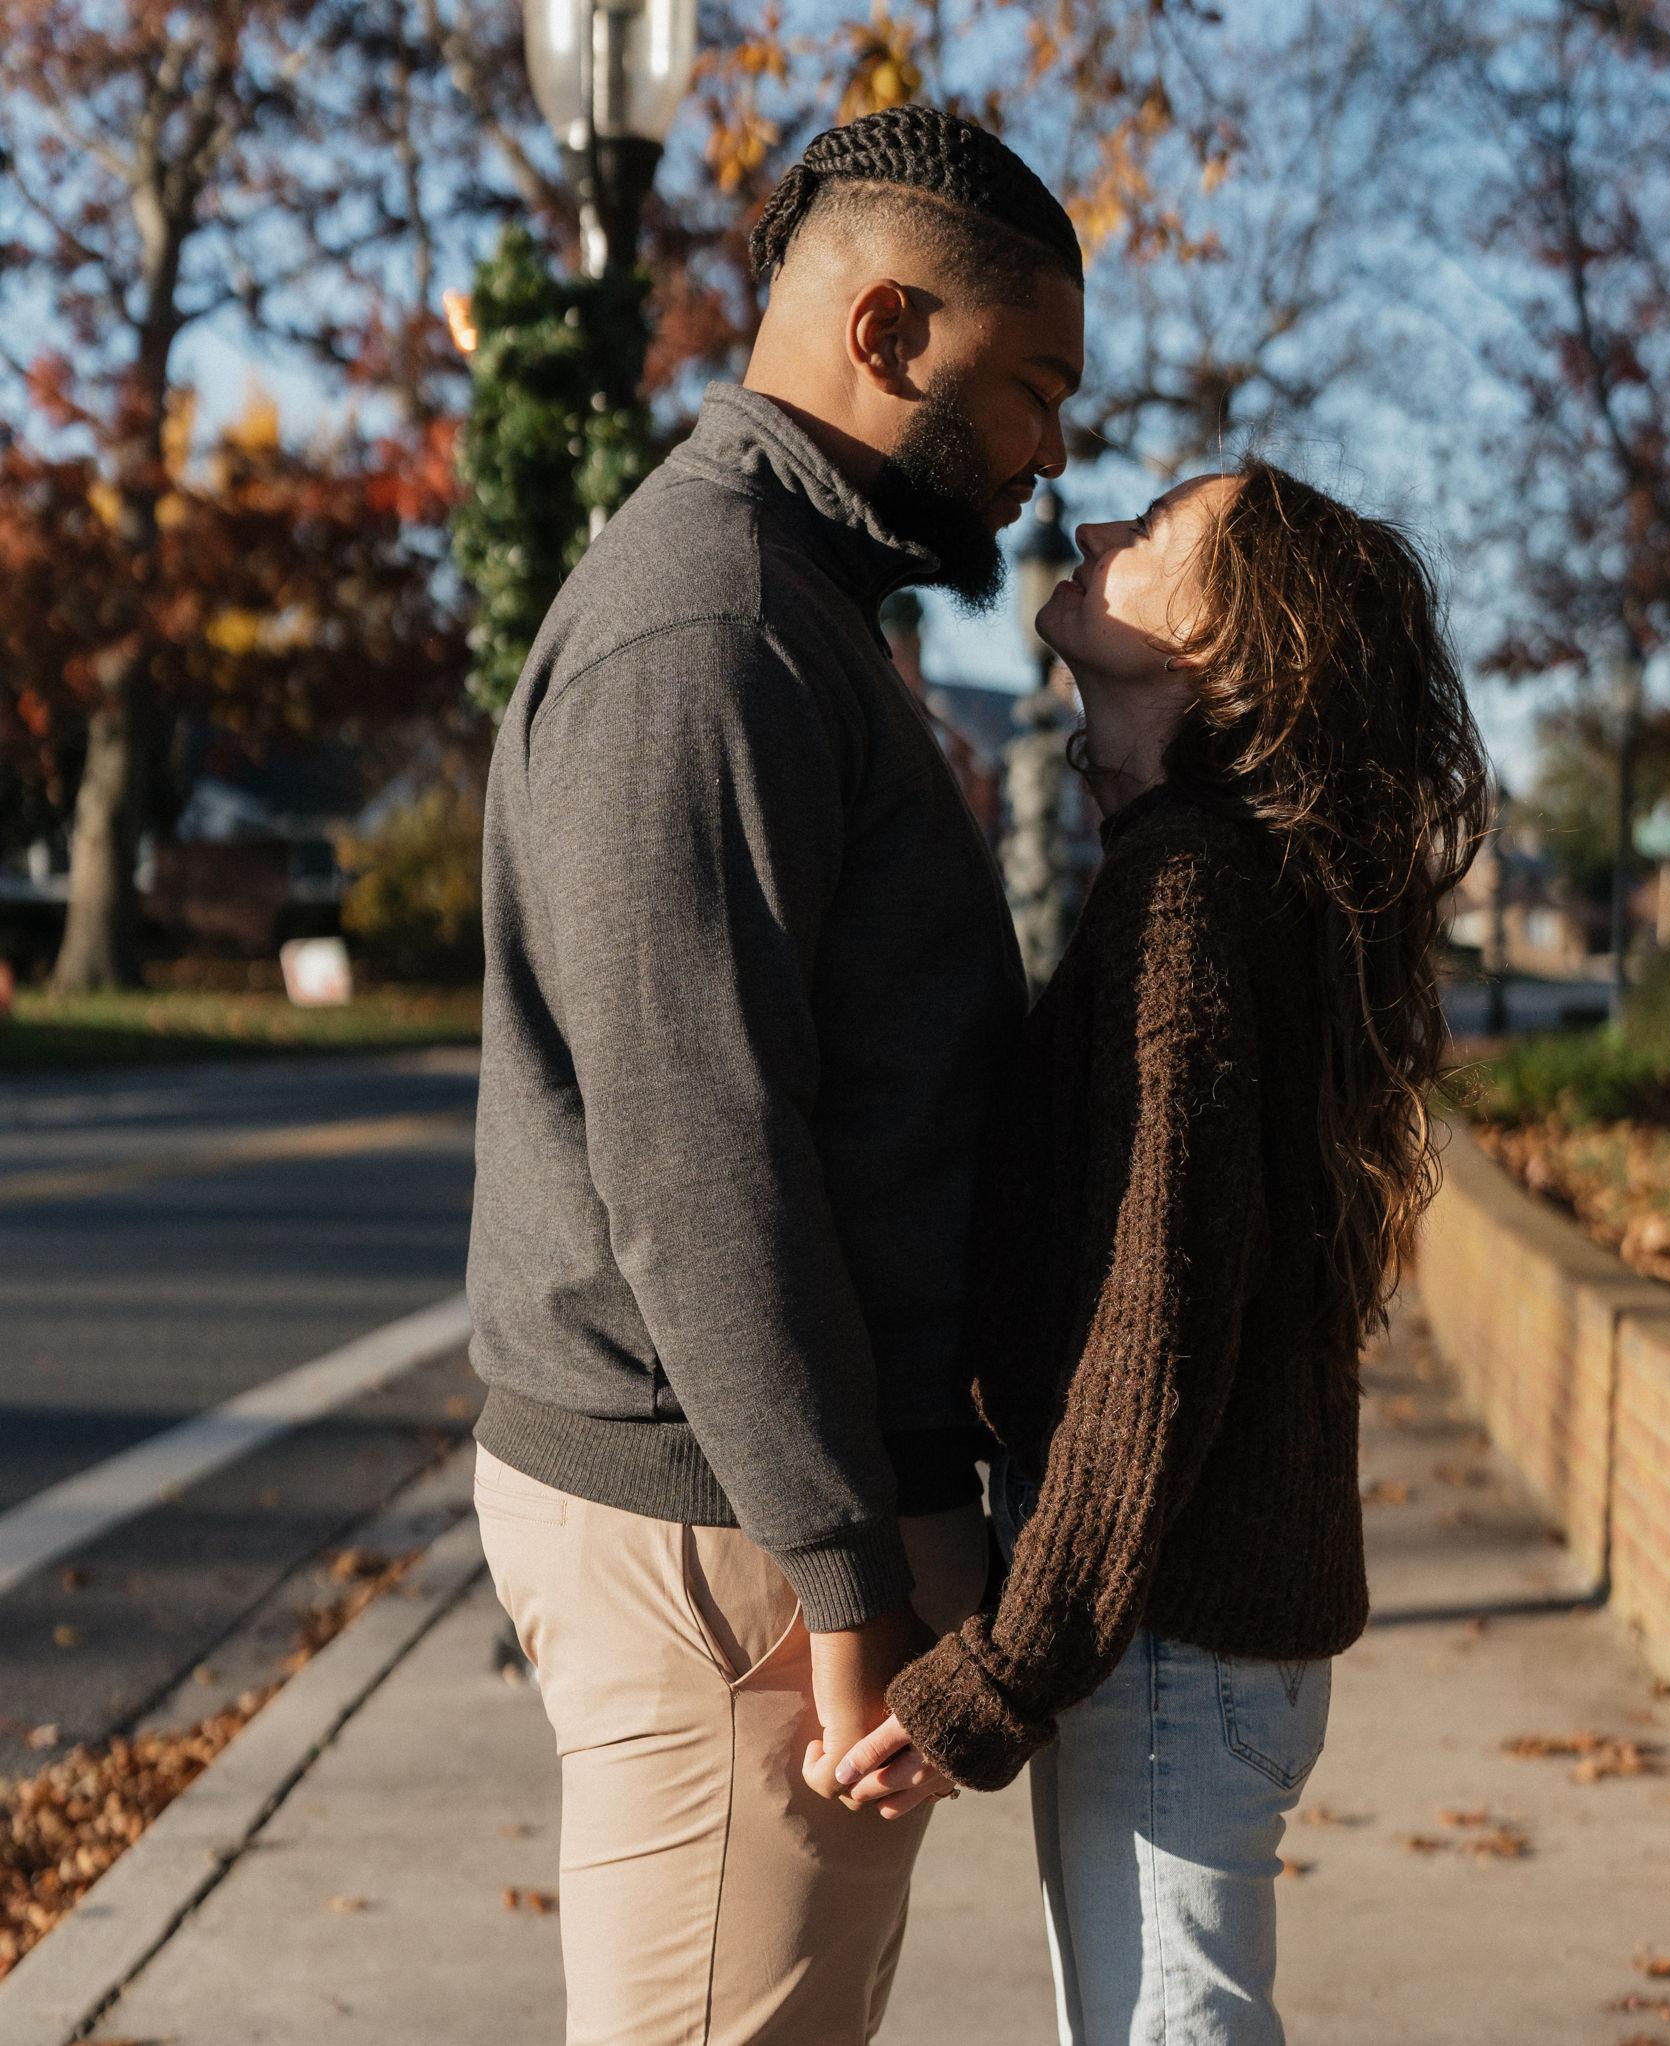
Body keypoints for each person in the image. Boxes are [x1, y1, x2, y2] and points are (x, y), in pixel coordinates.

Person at [462, 106, 1084, 2045]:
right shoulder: (711, 631)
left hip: (755, 1507)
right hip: (730, 1526)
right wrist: (842, 1582)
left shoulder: (791, 613)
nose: (1051, 445)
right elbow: (696, 1150)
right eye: (1032, 384)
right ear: (889, 333)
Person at [836, 462, 1492, 2043]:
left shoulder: (1193, 899)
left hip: (1173, 1637)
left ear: (1233, 645)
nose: (1092, 532)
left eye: (1153, 535)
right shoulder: (1201, 878)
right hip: (1182, 1632)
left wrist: (1000, 1671)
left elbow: (1154, 1338)